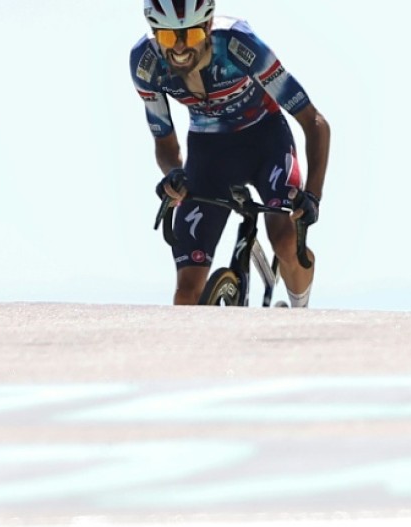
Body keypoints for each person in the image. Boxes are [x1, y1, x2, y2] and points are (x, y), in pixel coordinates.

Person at [130, 0, 330, 306]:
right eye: (169, 37)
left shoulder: (239, 43)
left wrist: (313, 197)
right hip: (209, 154)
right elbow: (165, 146)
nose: (180, 48)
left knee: (286, 240)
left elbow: (315, 123)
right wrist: (173, 174)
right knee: (186, 293)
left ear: (208, 27)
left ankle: (300, 312)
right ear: (155, 33)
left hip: (266, 141)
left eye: (191, 36)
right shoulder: (146, 63)